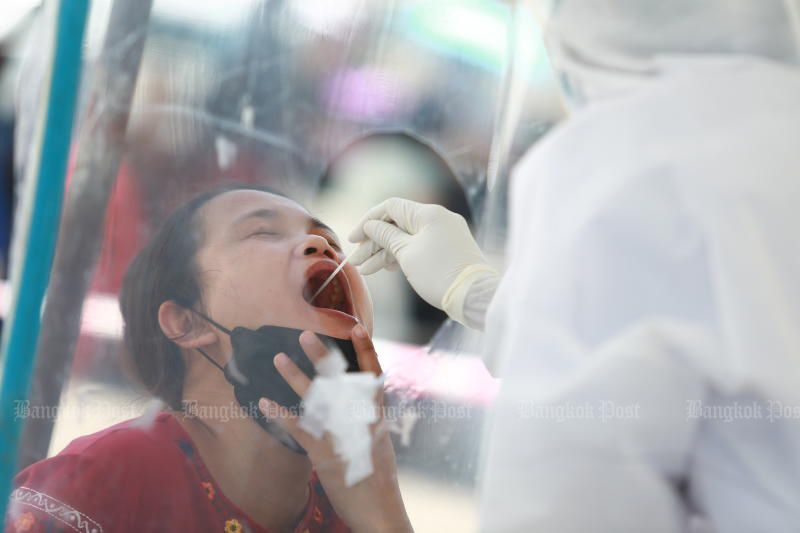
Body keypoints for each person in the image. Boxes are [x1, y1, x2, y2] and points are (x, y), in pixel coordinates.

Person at [347, 1, 800, 531]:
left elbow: (568, 494)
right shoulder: (775, 129)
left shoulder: (628, 159)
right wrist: (478, 292)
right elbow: (712, 334)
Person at [5, 184, 413, 533]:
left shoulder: (359, 500)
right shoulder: (96, 483)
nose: (321, 244)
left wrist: (384, 516)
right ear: (186, 322)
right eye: (263, 232)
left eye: (331, 241)